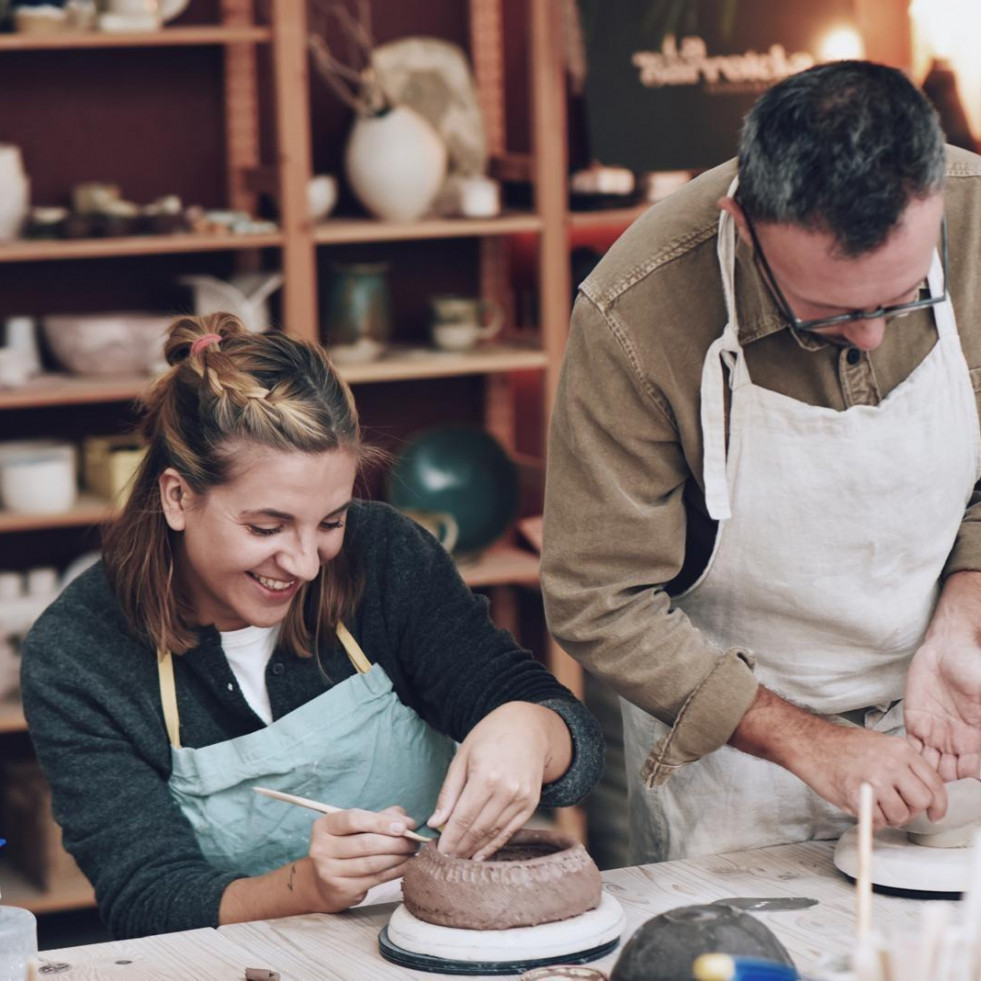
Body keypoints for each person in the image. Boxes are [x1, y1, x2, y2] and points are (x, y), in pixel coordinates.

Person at [21, 314, 603, 939]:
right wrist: (306, 888)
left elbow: (575, 746)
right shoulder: (79, 654)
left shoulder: (383, 555)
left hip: (442, 939)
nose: (302, 563)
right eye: (266, 528)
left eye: (330, 521)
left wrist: (531, 728)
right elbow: (145, 901)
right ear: (177, 497)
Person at [541, 60, 981, 864]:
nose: (872, 335)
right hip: (738, 757)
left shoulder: (979, 216)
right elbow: (596, 596)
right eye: (831, 312)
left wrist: (965, 607)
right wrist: (804, 741)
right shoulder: (636, 309)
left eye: (901, 297)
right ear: (742, 226)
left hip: (952, 720)